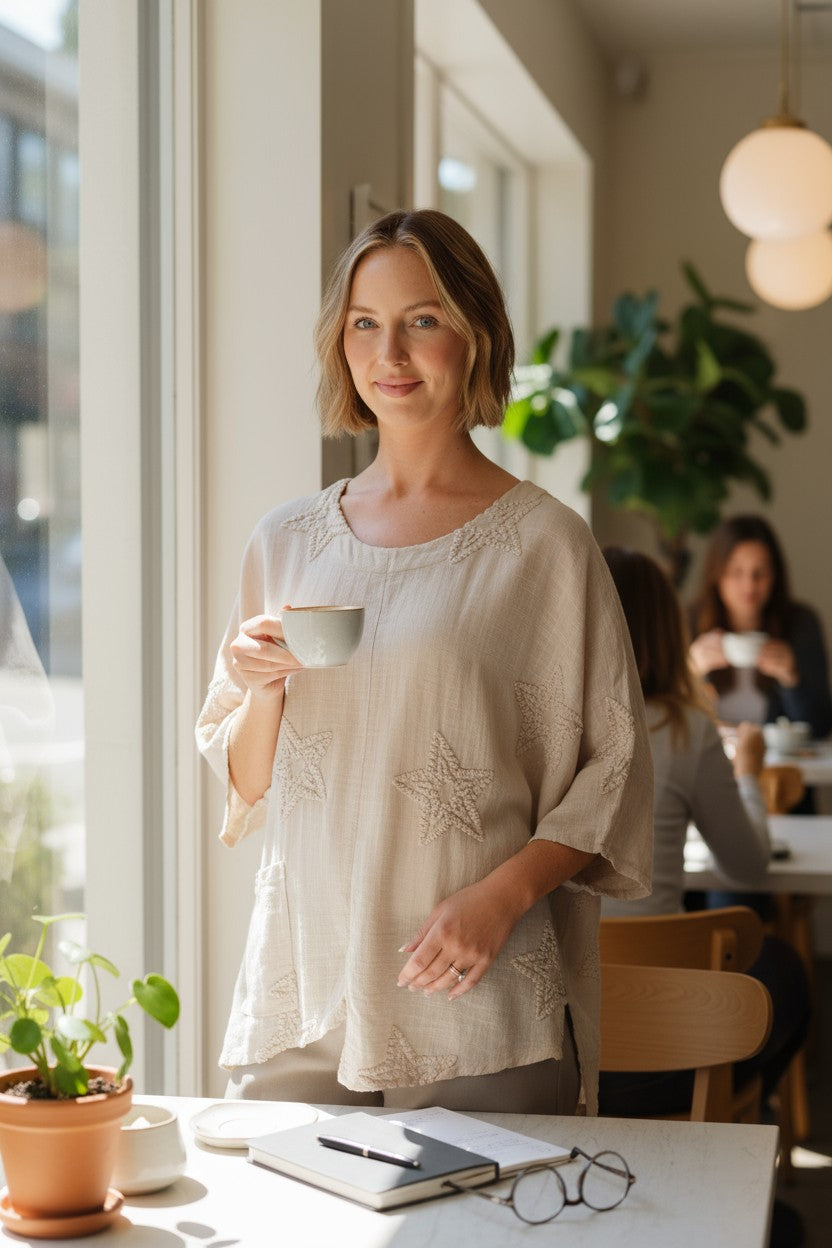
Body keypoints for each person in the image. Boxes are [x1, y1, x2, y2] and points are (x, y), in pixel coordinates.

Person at [196, 209, 653, 1117]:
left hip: (473, 997)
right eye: (365, 322)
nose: (389, 352)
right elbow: (249, 784)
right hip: (305, 988)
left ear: (474, 335)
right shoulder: (285, 540)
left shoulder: (546, 547)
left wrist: (502, 896)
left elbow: (617, 764)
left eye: (423, 319)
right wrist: (259, 690)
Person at [598, 546, 810, 1123]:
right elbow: (749, 868)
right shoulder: (686, 731)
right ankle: (738, 1116)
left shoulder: (538, 725)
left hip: (556, 1057)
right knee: (784, 972)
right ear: (669, 632)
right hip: (670, 1061)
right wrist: (747, 776)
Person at [688, 514, 832, 740]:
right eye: (737, 572)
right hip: (710, 764)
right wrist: (691, 670)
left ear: (775, 575)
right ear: (717, 575)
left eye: (760, 573)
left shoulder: (800, 624)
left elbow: (819, 727)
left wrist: (792, 680)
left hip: (774, 767)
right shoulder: (690, 623)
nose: (749, 585)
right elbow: (662, 718)